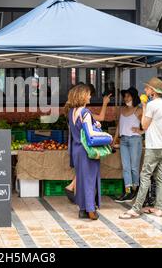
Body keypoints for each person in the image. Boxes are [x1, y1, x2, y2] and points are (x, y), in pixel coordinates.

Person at [119, 77, 162, 219]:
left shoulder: (151, 105)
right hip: (161, 145)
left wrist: (144, 106)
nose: (145, 90)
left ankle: (136, 209)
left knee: (145, 176)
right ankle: (159, 209)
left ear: (153, 91)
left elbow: (143, 125)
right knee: (159, 176)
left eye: (147, 88)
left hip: (153, 146)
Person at [65, 84, 113, 220]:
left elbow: (80, 130)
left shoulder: (71, 112)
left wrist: (94, 124)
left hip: (77, 151)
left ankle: (82, 209)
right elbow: (90, 134)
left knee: (81, 180)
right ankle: (91, 210)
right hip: (87, 151)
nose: (90, 96)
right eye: (88, 94)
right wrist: (107, 137)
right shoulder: (85, 112)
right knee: (90, 180)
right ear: (82, 96)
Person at [114, 87, 143, 202]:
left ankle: (135, 189)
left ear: (134, 97)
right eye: (125, 96)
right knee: (126, 167)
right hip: (124, 140)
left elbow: (147, 124)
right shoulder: (122, 109)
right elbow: (118, 126)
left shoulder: (138, 110)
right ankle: (128, 191)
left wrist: (141, 131)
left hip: (135, 140)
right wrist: (114, 139)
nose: (125, 98)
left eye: (128, 96)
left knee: (134, 167)